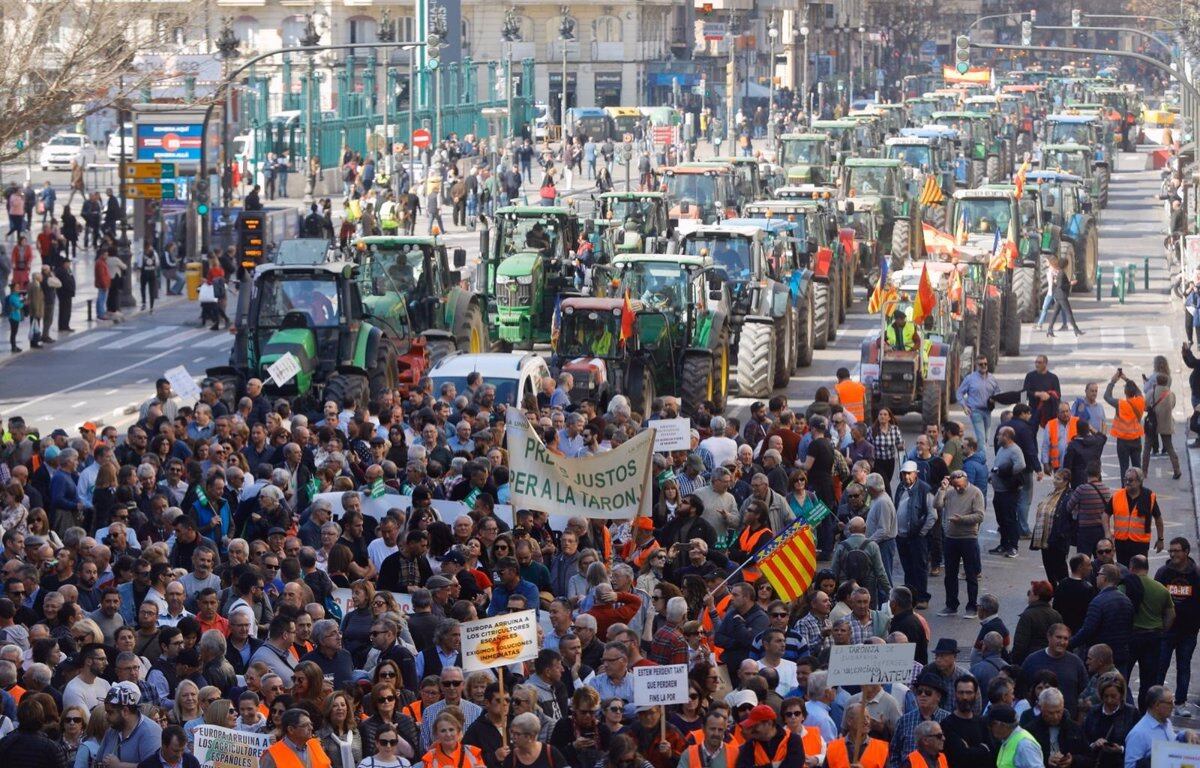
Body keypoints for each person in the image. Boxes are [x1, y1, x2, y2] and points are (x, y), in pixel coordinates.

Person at [1156, 537, 1200, 715]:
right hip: (1167, 630)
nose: (1173, 554)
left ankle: (1180, 703)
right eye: (1171, 551)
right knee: (1160, 666)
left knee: (1183, 666)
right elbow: (1156, 600)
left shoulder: (1196, 575)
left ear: (1186, 552)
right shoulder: (1163, 573)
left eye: (1176, 550)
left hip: (1188, 631)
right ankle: (1156, 700)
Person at [1106, 468, 1164, 565]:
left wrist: (1160, 539)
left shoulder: (1149, 496)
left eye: (1131, 480)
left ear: (1139, 481)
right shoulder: (1117, 496)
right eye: (1125, 479)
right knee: (1123, 572)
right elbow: (1105, 514)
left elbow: (1158, 518)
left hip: (1140, 544)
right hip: (1121, 543)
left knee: (1139, 573)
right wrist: (1107, 532)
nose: (1127, 482)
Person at [732, 704, 805, 768]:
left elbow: (795, 765)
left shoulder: (793, 740)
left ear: (769, 723)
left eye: (755, 725)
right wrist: (773, 765)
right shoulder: (750, 744)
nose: (752, 730)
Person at [990, 427, 1025, 558]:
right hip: (998, 491)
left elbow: (1021, 465)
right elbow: (997, 464)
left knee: (1010, 519)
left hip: (1008, 491)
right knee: (1002, 520)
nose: (997, 437)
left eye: (1000, 435)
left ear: (1007, 436)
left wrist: (1007, 474)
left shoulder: (1015, 450)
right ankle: (1004, 544)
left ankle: (1013, 546)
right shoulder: (1002, 448)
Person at [1105, 371, 1145, 482]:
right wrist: (1126, 379)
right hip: (1136, 439)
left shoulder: (1120, 404)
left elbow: (1107, 396)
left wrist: (1113, 381)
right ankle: (1139, 489)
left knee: (1124, 468)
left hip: (1123, 441)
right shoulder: (1140, 400)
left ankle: (1125, 490)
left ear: (1125, 391)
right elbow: (1138, 391)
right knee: (1137, 467)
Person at [262, 708, 333, 768]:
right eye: (305, 725)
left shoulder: (316, 744)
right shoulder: (271, 755)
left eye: (310, 724)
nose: (311, 728)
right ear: (291, 730)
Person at [957, 356, 1000, 447]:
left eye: (985, 363)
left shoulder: (992, 378)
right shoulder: (970, 379)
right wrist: (964, 406)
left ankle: (977, 455)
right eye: (981, 364)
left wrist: (995, 399)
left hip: (988, 411)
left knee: (985, 438)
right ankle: (981, 459)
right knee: (981, 438)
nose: (984, 366)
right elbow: (959, 393)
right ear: (976, 365)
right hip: (975, 411)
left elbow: (998, 392)